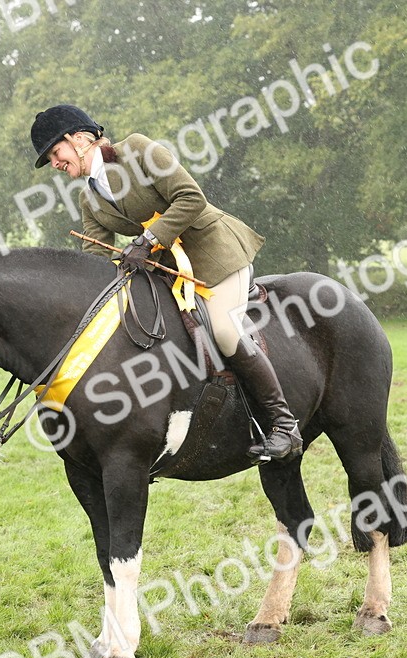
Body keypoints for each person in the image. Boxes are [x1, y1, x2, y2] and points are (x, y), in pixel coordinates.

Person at [30, 104, 302, 463]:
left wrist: (146, 241)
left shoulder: (139, 150)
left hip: (214, 256)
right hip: (168, 272)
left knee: (223, 330)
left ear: (79, 140)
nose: (55, 164)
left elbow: (191, 198)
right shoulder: (89, 197)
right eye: (51, 159)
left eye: (55, 153)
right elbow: (95, 256)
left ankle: (285, 426)